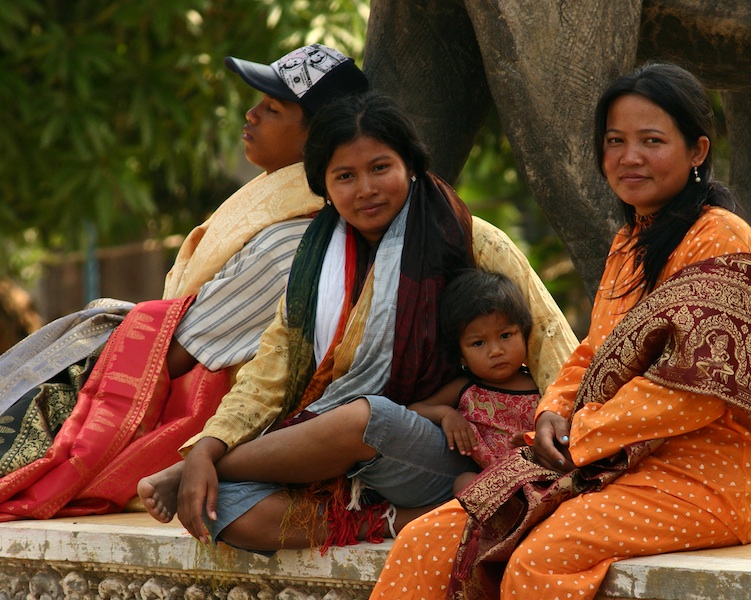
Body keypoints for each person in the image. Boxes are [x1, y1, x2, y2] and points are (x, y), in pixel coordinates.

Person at [369, 62, 751, 599]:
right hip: (603, 463)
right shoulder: (630, 241)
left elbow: (693, 389)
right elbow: (595, 350)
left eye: (652, 140)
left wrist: (581, 434)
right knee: (428, 538)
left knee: (538, 565)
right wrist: (554, 411)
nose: (629, 156)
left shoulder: (722, 237)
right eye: (615, 140)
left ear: (698, 152)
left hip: (704, 479)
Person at [137, 91, 578, 554]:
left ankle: (197, 469)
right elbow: (270, 373)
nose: (365, 189)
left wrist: (553, 414)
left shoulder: (468, 236)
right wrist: (211, 442)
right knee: (222, 510)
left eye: (380, 168)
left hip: (460, 454)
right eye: (345, 176)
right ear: (324, 187)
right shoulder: (312, 264)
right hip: (348, 466)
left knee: (368, 417)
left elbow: (549, 337)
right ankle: (392, 520)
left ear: (410, 164)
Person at [0, 44, 368, 521]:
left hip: (207, 412)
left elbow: (178, 353)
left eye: (272, 109)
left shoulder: (293, 241)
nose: (251, 115)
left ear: (319, 136)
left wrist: (80, 371)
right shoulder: (284, 210)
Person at [407, 269, 540, 494]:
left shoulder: (541, 383)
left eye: (505, 335)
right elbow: (414, 410)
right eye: (478, 343)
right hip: (497, 488)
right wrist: (447, 415)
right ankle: (507, 522)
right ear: (461, 356)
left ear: (524, 334)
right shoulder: (466, 389)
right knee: (463, 481)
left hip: (544, 474)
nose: (496, 351)